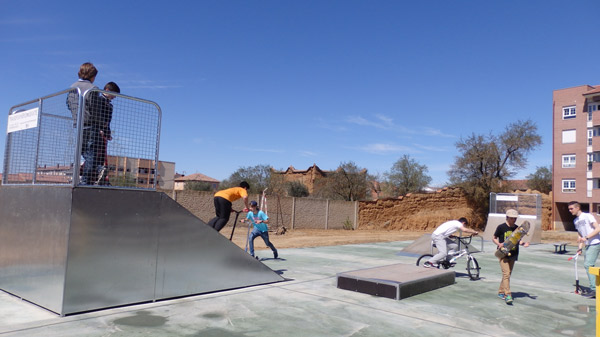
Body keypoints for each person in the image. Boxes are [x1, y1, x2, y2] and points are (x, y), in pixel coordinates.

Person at [492, 209, 529, 305]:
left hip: (513, 254)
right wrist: (499, 244)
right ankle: (508, 295)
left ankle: (501, 292)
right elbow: (494, 238)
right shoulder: (501, 227)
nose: (514, 220)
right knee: (506, 274)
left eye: (515, 218)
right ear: (507, 218)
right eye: (512, 218)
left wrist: (523, 243)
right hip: (502, 254)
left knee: (507, 275)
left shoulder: (517, 229)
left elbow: (518, 240)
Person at [89, 82, 120, 185]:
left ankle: (101, 178)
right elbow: (96, 116)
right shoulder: (98, 101)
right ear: (107, 90)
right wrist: (100, 128)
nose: (115, 97)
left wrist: (108, 133)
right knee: (95, 154)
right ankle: (91, 176)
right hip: (96, 131)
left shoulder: (110, 106)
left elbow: (108, 121)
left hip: (103, 133)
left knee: (102, 155)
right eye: (114, 94)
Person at [569, 201, 600, 298]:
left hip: (595, 242)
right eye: (569, 209)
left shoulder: (587, 216)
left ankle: (594, 290)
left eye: (571, 208)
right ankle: (595, 288)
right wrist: (579, 248)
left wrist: (586, 237)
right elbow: (580, 234)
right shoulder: (575, 221)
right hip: (588, 245)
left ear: (577, 208)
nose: (570, 211)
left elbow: (598, 228)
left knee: (588, 265)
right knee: (589, 265)